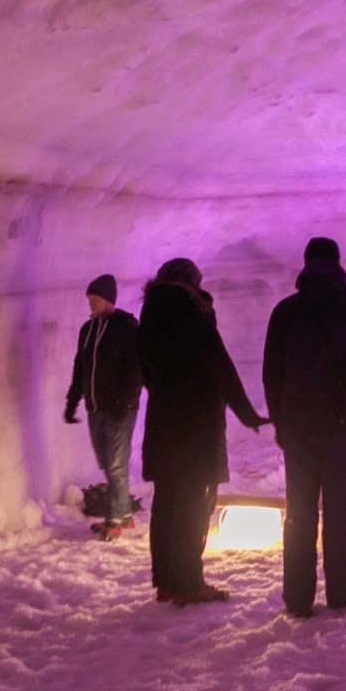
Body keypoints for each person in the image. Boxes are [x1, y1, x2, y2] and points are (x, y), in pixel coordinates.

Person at [264, 237, 346, 618]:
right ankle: (345, 591)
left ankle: (297, 599)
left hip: (298, 426)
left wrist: (280, 420)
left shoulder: (285, 312)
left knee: (299, 513)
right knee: (339, 512)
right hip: (342, 424)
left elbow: (272, 374)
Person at [137, 259, 267, 605]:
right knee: (193, 506)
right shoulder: (195, 317)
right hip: (195, 429)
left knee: (166, 504)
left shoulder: (149, 318)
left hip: (164, 425)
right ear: (192, 283)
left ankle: (165, 582)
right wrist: (248, 414)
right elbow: (220, 369)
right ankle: (189, 584)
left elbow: (145, 373)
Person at [63, 274, 144, 541]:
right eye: (89, 299)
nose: (90, 304)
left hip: (120, 408)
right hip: (95, 407)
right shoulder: (87, 330)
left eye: (93, 299)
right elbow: (80, 367)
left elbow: (136, 368)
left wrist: (126, 401)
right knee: (106, 463)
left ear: (107, 299)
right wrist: (73, 400)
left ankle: (116, 518)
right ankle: (124, 514)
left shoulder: (126, 327)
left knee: (116, 464)